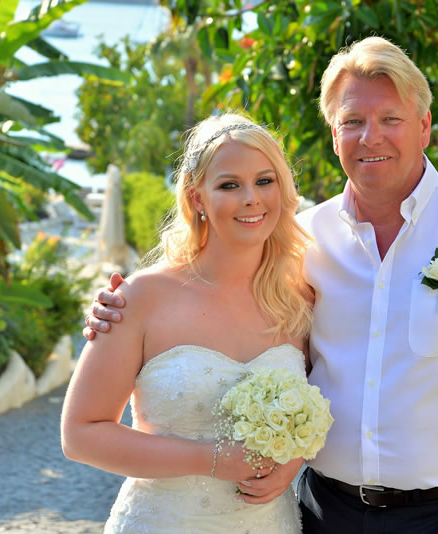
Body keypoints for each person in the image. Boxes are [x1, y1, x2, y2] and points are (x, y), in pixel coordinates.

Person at [84, 37, 438, 534]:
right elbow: (234, 311)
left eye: (390, 119)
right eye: (352, 122)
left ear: (424, 126)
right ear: (333, 134)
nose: (371, 137)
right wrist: (120, 308)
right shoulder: (300, 241)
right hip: (324, 513)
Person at [62, 113, 314, 533]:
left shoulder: (300, 299)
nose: (251, 198)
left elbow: (331, 400)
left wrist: (295, 457)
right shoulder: (140, 298)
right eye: (229, 185)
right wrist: (210, 459)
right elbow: (80, 435)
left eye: (264, 181)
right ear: (197, 198)